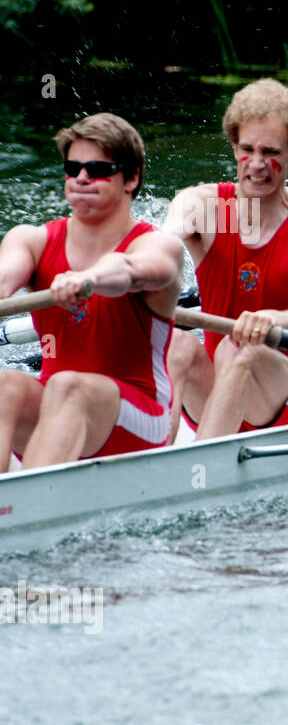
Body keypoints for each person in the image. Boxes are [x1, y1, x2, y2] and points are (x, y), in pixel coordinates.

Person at [0, 113, 182, 471]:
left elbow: (128, 271)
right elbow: (5, 278)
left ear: (131, 179)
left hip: (141, 418)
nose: (82, 178)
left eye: (98, 169)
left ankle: (27, 512)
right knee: (5, 383)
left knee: (69, 386)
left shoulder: (158, 245)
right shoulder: (31, 239)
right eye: (73, 168)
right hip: (57, 405)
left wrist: (89, 279)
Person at [164, 79, 288, 439]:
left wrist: (269, 318)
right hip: (218, 382)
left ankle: (201, 467)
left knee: (240, 346)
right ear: (233, 146)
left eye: (271, 153)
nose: (257, 165)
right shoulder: (200, 205)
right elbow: (159, 245)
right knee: (179, 342)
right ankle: (151, 462)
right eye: (248, 149)